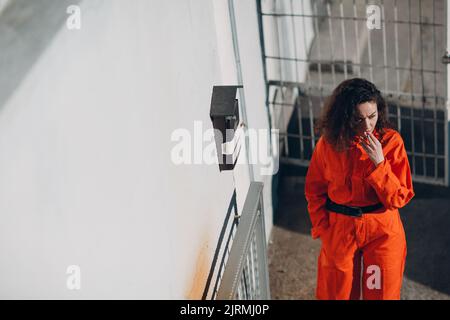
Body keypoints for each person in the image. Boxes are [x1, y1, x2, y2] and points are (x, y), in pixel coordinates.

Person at [304, 78, 415, 300]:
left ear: (379, 112)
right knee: (338, 294)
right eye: (358, 119)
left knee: (381, 294)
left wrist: (380, 164)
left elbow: (399, 198)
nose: (367, 125)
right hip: (341, 229)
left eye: (372, 117)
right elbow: (314, 190)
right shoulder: (328, 144)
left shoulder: (391, 142)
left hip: (382, 230)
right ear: (344, 118)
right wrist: (323, 229)